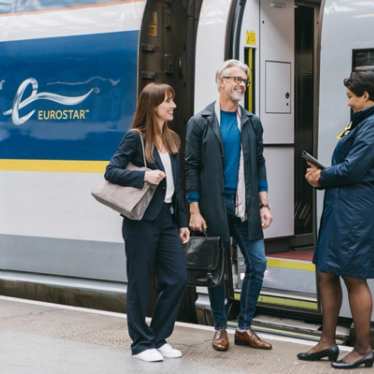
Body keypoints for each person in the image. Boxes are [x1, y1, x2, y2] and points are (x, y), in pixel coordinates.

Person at [185, 59, 273, 351]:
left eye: (243, 80)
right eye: (233, 79)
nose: (239, 84)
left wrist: (264, 202)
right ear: (220, 82)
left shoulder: (251, 122)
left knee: (258, 263)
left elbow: (259, 162)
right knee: (217, 271)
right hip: (213, 207)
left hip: (244, 206)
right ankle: (220, 328)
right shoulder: (200, 122)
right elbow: (191, 167)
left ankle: (244, 327)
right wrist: (194, 209)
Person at [105, 83, 190, 362]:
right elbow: (112, 171)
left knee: (177, 278)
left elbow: (180, 184)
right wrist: (143, 176)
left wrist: (182, 222)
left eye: (172, 100)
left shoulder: (173, 139)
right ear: (152, 106)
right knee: (140, 282)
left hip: (166, 220)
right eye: (168, 101)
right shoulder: (136, 138)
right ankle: (141, 343)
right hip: (141, 221)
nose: (173, 106)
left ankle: (158, 337)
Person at [297, 70, 374, 369]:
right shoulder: (360, 124)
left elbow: (355, 169)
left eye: (351, 97)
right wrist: (324, 175)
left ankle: (364, 348)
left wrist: (322, 176)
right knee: (327, 271)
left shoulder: (371, 126)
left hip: (356, 212)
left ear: (366, 96)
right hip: (341, 208)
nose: (347, 102)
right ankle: (327, 342)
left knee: (353, 275)